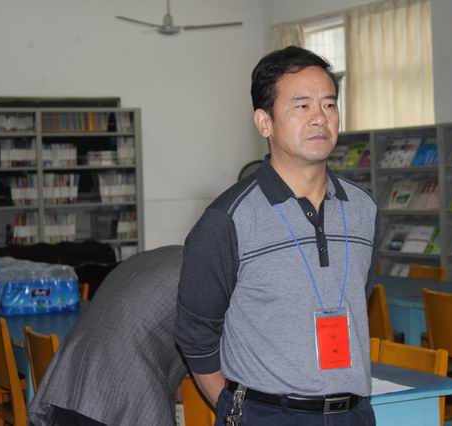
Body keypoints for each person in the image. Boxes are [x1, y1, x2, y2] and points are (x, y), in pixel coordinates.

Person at [176, 46, 379, 425]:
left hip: (354, 414)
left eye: (329, 104)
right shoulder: (227, 219)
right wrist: (236, 407)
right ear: (264, 122)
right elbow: (195, 334)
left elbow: (359, 294)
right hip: (266, 414)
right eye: (302, 106)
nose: (320, 117)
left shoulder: (363, 209)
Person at [28, 245, 189, 426]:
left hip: (67, 381)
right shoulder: (201, 275)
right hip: (120, 395)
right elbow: (206, 358)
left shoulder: (155, 256)